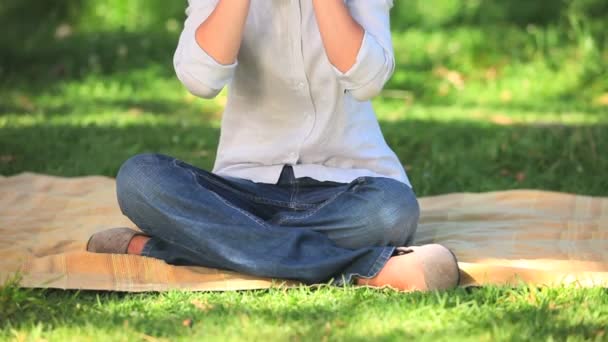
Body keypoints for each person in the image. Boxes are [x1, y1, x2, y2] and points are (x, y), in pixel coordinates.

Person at [87, 0, 460, 291]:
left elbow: (367, 80)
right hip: (245, 186)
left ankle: (171, 246)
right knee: (141, 178)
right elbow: (200, 79)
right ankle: (369, 269)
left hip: (348, 186)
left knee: (392, 211)